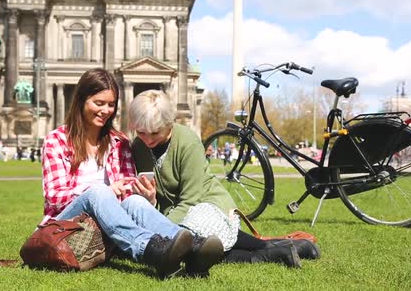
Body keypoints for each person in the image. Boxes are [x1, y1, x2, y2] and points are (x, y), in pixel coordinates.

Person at [40, 69, 220, 278]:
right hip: (65, 227)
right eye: (99, 103)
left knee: (134, 202)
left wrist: (148, 198)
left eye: (111, 104)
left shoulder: (119, 142)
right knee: (97, 193)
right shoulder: (56, 140)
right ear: (81, 100)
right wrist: (104, 192)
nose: (106, 110)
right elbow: (54, 199)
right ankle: (151, 251)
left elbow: (127, 196)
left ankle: (193, 249)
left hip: (108, 226)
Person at [129, 90, 320, 273]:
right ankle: (277, 250)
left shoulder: (187, 141)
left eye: (155, 133)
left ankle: (269, 248)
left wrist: (161, 230)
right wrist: (152, 202)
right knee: (194, 252)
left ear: (169, 123)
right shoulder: (138, 146)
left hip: (206, 204)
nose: (148, 139)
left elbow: (190, 199)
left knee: (194, 237)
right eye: (141, 132)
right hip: (177, 214)